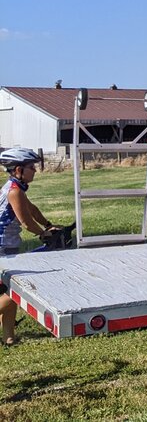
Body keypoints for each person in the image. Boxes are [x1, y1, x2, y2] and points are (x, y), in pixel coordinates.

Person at [0, 147, 60, 346]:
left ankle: (9, 338)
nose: (34, 170)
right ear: (18, 170)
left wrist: (48, 224)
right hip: (2, 248)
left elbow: (32, 210)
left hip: (8, 246)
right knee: (13, 291)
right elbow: (25, 221)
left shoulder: (16, 187)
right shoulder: (14, 191)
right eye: (31, 167)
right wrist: (43, 233)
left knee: (9, 290)